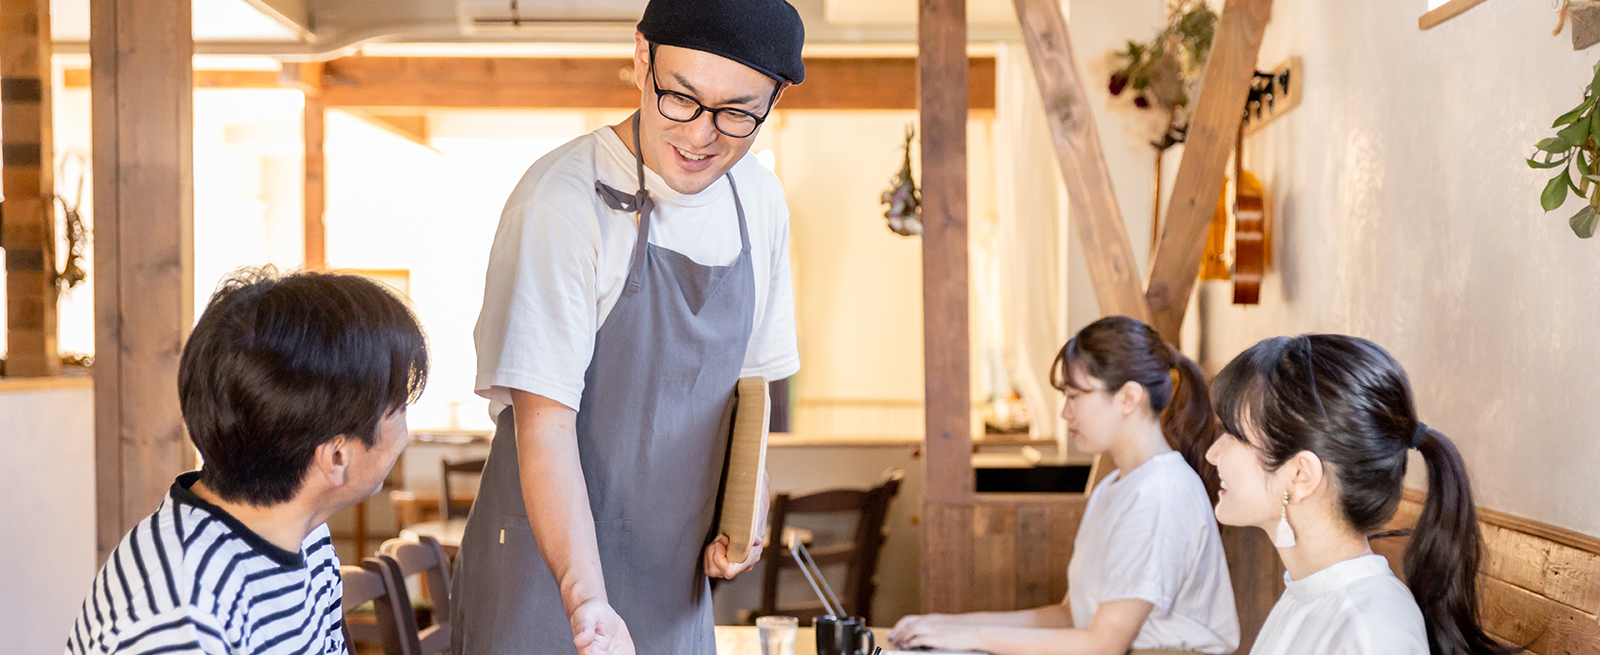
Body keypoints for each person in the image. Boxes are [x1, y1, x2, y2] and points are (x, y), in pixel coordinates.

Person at [452, 0, 804, 653]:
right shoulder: (561, 200)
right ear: (642, 58)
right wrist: (588, 604)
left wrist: (747, 514)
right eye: (681, 98)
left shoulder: (759, 200)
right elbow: (544, 426)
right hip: (548, 585)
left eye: (738, 112)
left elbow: (752, 393)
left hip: (673, 589)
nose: (702, 135)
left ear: (774, 98)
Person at [62, 268, 429, 655]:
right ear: (336, 457)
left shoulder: (305, 535)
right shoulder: (178, 614)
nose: (405, 423)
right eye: (399, 406)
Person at [890, 316, 1238, 655]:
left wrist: (973, 638)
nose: (1066, 413)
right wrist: (954, 627)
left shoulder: (1161, 493)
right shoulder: (1116, 487)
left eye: (1075, 396)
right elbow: (1070, 616)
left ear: (1129, 398)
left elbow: (1103, 645)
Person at [1205, 334, 1519, 655]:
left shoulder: (1371, 632)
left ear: (1301, 475)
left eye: (1231, 434)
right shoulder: (1307, 593)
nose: (1213, 454)